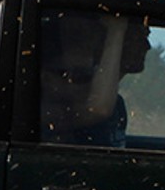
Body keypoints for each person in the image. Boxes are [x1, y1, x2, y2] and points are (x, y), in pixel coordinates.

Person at [38, 11, 150, 145]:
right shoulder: (43, 113)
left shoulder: (116, 105)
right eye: (80, 76)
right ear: (47, 78)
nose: (147, 46)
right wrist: (116, 30)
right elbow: (98, 110)